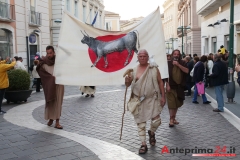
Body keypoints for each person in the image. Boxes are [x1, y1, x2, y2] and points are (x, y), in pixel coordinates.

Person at [125, 49, 166, 154]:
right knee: (141, 124)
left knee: (157, 121)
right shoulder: (133, 70)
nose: (142, 58)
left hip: (152, 99)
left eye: (144, 56)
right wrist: (127, 82)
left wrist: (163, 96)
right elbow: (128, 84)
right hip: (138, 101)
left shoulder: (153, 68)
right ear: (138, 58)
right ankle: (143, 144)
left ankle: (151, 132)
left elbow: (160, 82)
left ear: (147, 57)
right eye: (140, 56)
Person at [37, 46, 64, 129]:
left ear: (54, 52)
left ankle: (57, 122)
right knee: (50, 102)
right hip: (49, 85)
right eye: (47, 53)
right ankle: (50, 119)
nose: (49, 55)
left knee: (58, 103)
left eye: (50, 53)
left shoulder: (59, 61)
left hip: (59, 84)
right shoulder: (43, 62)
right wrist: (50, 78)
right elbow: (40, 72)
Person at [165, 49, 188, 127]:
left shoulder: (183, 63)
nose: (176, 55)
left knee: (177, 104)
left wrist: (178, 65)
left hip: (179, 87)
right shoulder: (168, 63)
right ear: (172, 55)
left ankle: (174, 118)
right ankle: (171, 119)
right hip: (170, 87)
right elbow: (165, 75)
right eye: (175, 54)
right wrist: (167, 84)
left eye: (177, 54)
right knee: (172, 104)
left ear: (179, 55)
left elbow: (187, 71)